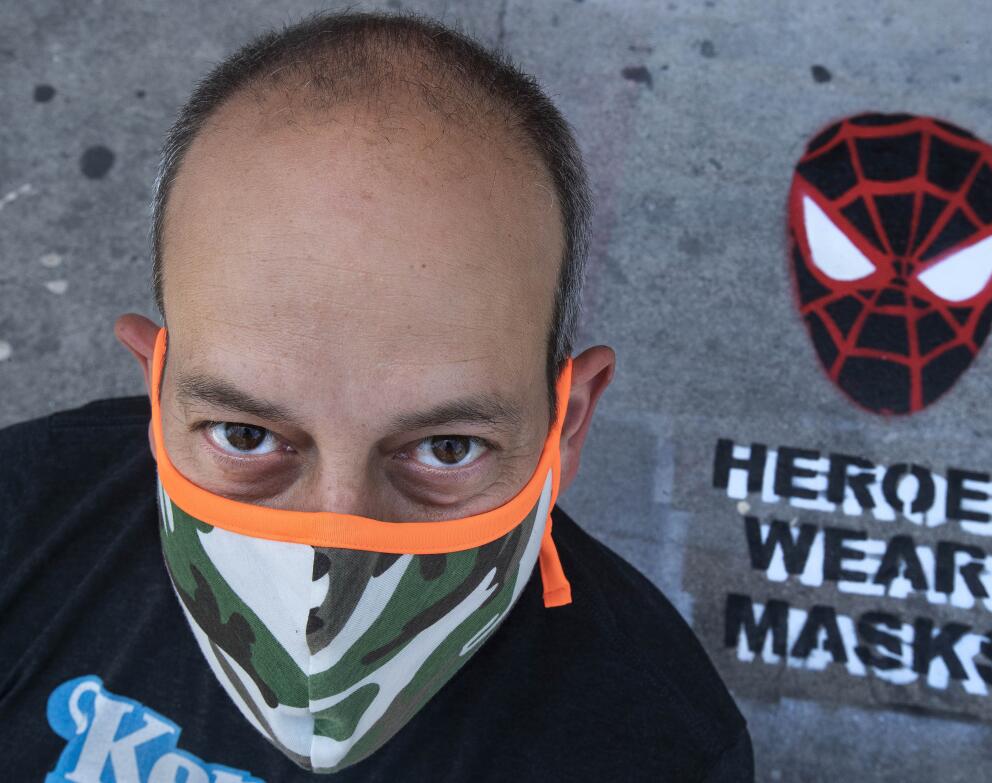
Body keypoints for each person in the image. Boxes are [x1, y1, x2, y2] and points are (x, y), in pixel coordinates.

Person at [0, 9, 753, 782]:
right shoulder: (20, 526)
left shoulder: (657, 746)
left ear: (569, 425)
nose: (332, 553)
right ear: (155, 395)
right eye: (247, 435)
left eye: (445, 449)